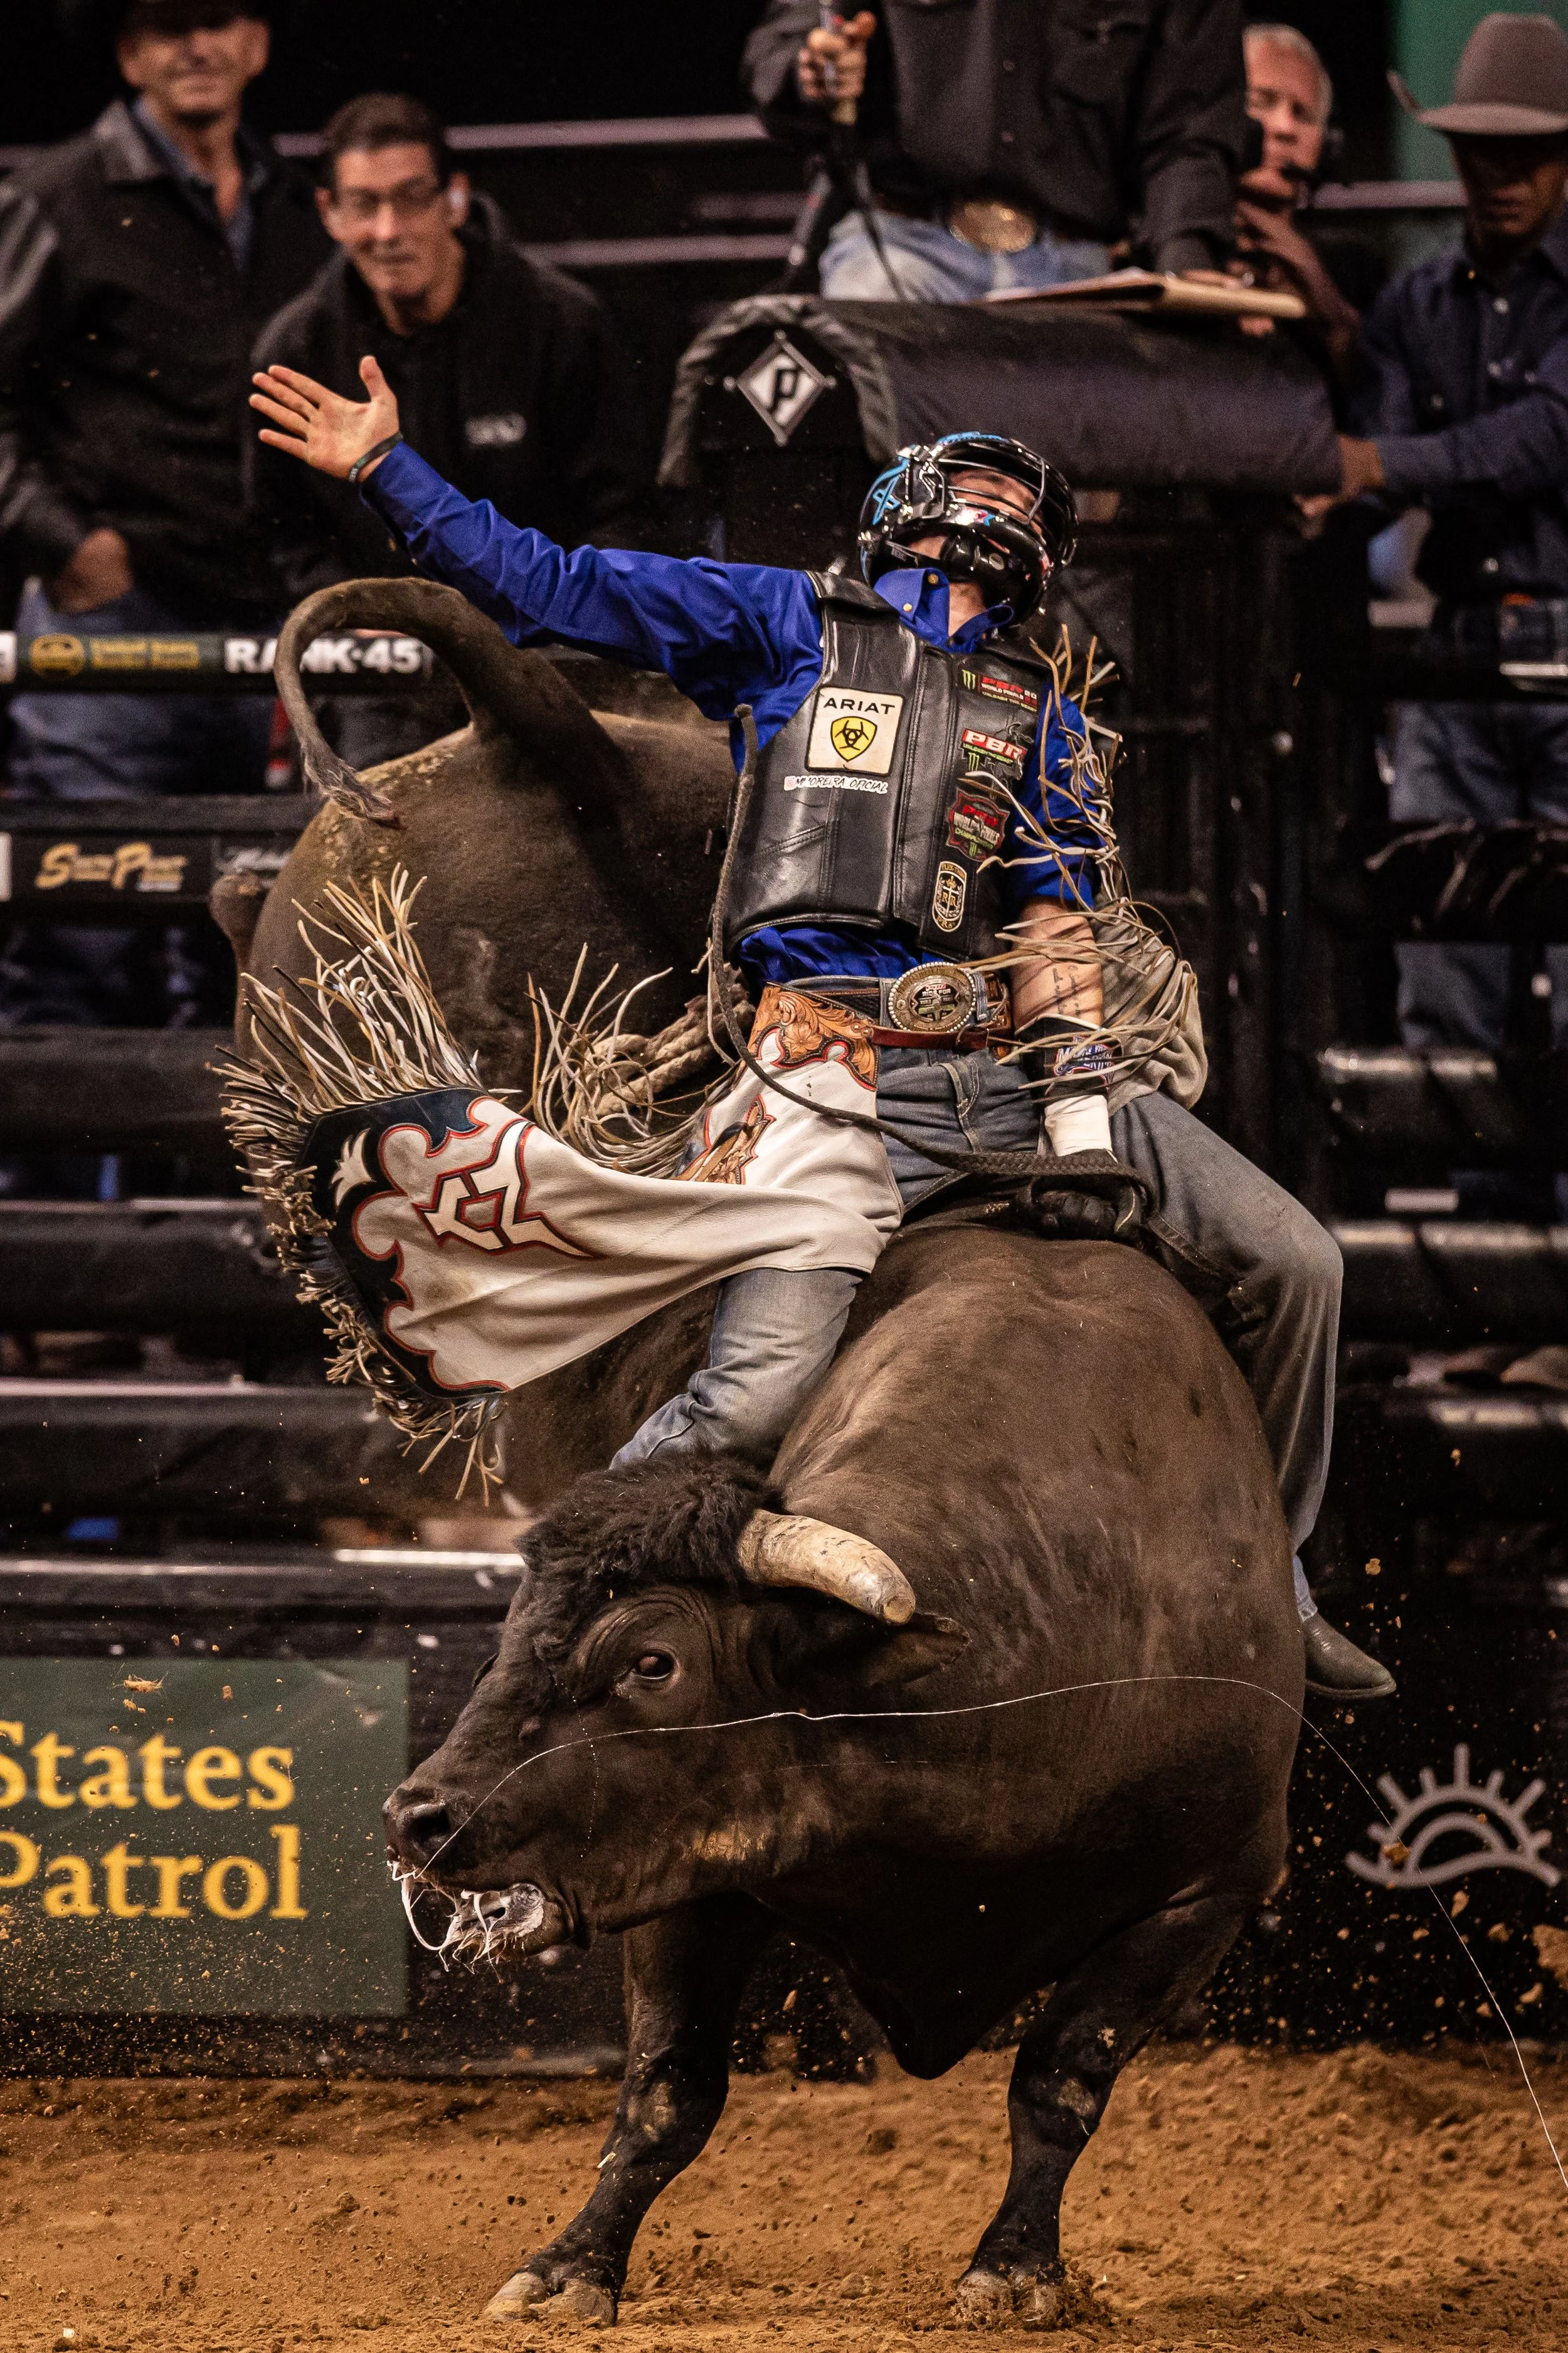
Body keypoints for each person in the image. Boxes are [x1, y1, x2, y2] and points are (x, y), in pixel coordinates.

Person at [248, 354, 1393, 1701]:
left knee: (1295, 1264)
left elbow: (1056, 923)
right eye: (963, 485)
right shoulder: (784, 620)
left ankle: (1276, 1579)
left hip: (1004, 1072)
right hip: (831, 1072)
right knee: (747, 1391)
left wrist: (1084, 1116)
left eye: (1007, 496)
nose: (984, 510)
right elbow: (551, 585)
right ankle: (546, 1619)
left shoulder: (1044, 715)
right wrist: (391, 468)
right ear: (902, 514)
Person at [0, 0, 328, 1033]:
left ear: (257, 43)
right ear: (132, 52)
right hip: (116, 623)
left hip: (261, 620)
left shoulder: (294, 200)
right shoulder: (59, 195)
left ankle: (228, 1195)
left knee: (247, 942)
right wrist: (60, 540)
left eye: (219, 18)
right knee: (80, 932)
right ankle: (43, 1200)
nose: (196, 46)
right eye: (167, 25)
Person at [248, 92, 646, 767]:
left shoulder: (561, 324)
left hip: (549, 656)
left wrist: (555, 617)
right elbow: (280, 534)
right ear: (329, 214)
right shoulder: (298, 350)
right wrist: (354, 609)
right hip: (381, 675)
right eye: (362, 205)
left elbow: (623, 513)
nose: (386, 229)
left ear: (453, 200)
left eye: (410, 198)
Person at [1317, 14, 1568, 1068]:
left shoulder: (1429, 306)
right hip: (1460, 653)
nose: (1498, 177)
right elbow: (1380, 461)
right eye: (1480, 154)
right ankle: (1473, 1202)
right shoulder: (1420, 304)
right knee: (1441, 957)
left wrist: (1371, 470)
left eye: (1525, 156)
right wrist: (1318, 493)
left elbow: (1543, 438)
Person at [743, 1, 1247, 303]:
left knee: (1079, 464)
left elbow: (1190, 123)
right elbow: (784, 47)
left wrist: (1188, 262)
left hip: (1080, 276)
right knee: (873, 429)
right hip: (904, 251)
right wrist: (813, 72)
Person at [1233, 22, 1379, 374]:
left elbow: (1377, 407)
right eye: (1261, 103)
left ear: (1327, 148)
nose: (1284, 128)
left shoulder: (1355, 271)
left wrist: (1333, 316)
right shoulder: (1166, 248)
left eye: (1303, 114)